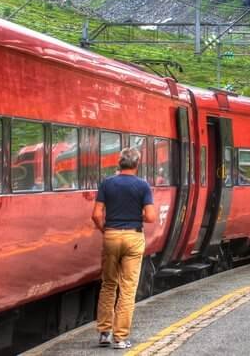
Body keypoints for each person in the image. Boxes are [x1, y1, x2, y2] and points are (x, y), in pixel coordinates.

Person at [92, 147, 157, 349]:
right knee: (127, 289)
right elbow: (151, 217)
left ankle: (104, 333)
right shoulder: (142, 185)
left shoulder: (107, 183)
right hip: (133, 237)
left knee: (108, 284)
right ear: (137, 164)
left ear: (119, 163)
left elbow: (96, 214)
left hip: (111, 235)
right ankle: (120, 338)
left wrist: (105, 230)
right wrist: (137, 215)